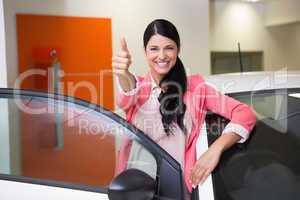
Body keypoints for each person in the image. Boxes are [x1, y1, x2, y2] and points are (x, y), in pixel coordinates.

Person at [112, 19, 256, 198]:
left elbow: (245, 114)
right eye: (154, 48)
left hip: (177, 190)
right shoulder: (137, 89)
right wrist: (123, 73)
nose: (162, 55)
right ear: (144, 51)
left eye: (169, 48)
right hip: (136, 189)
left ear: (178, 50)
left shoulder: (197, 88)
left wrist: (215, 149)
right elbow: (126, 93)